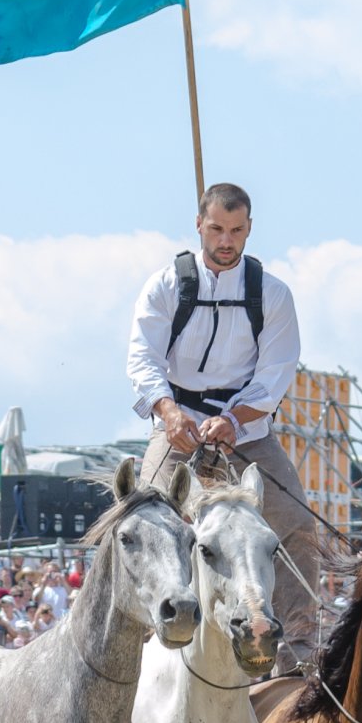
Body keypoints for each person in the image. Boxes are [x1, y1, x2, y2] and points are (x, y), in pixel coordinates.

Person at [126, 180, 319, 666]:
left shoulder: (272, 295)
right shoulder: (166, 285)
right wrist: (168, 412)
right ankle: (134, 648)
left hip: (247, 432)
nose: (226, 240)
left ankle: (298, 657)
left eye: (236, 230)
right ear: (199, 225)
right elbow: (142, 359)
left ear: (249, 229)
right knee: (140, 519)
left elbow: (275, 376)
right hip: (179, 427)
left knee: (295, 523)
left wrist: (235, 419)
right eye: (216, 228)